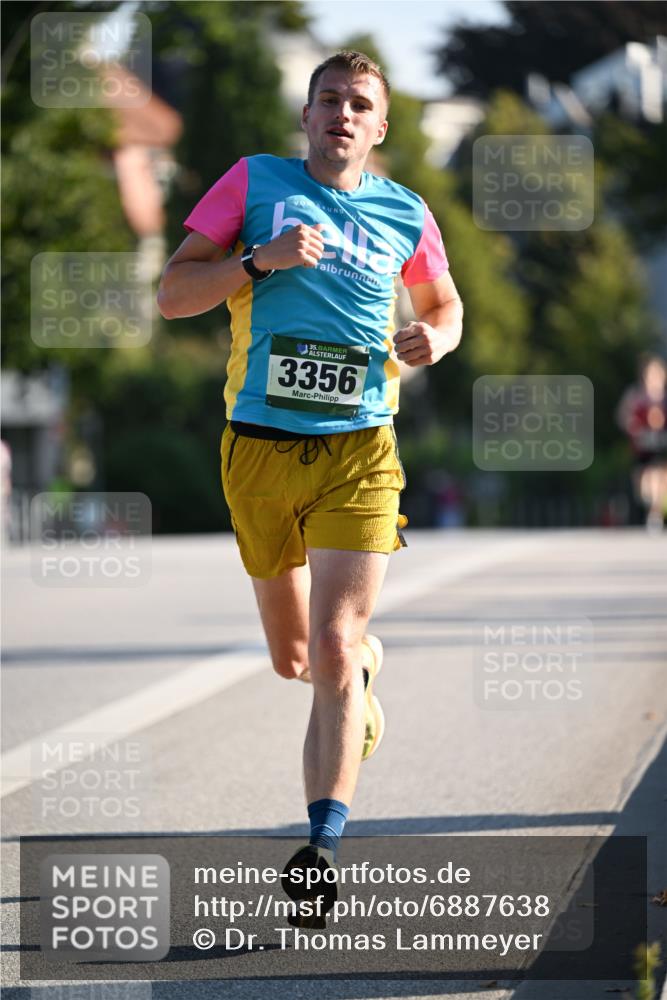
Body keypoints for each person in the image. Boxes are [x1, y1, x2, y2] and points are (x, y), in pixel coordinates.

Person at [157, 50, 463, 925]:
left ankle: (321, 849)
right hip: (257, 447)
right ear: (305, 115)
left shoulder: (406, 211)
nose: (340, 112)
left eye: (357, 102)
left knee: (329, 644)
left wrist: (434, 341)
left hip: (361, 448)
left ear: (378, 127)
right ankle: (360, 676)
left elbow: (443, 307)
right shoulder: (253, 183)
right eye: (327, 98)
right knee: (297, 659)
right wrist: (258, 262)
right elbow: (174, 293)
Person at [616, 354, 667, 532]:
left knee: (660, 475)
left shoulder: (664, 397)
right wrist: (633, 427)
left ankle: (655, 513)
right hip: (642, 443)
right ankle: (649, 504)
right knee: (644, 481)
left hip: (661, 441)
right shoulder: (636, 394)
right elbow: (623, 415)